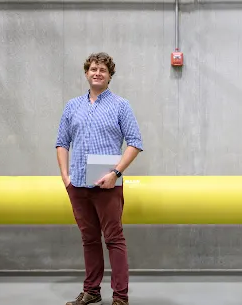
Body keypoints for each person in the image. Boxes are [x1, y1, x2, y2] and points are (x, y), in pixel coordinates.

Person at [55, 52, 143, 305]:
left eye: (102, 70)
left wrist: (115, 173)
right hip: (78, 185)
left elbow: (135, 143)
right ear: (86, 73)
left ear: (109, 76)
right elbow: (62, 142)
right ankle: (91, 291)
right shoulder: (72, 106)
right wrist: (65, 176)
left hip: (108, 186)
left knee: (114, 239)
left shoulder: (121, 105)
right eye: (93, 68)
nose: (97, 73)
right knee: (89, 240)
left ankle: (120, 297)